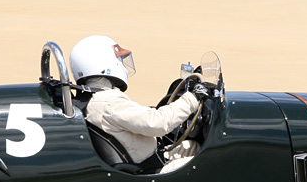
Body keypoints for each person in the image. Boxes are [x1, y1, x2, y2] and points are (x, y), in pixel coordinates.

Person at [69, 35, 211, 173]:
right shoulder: (109, 103)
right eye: (118, 58)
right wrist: (193, 97)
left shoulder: (89, 99)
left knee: (193, 146)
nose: (122, 62)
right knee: (211, 160)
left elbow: (140, 117)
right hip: (149, 171)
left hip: (146, 159)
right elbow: (159, 123)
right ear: (104, 63)